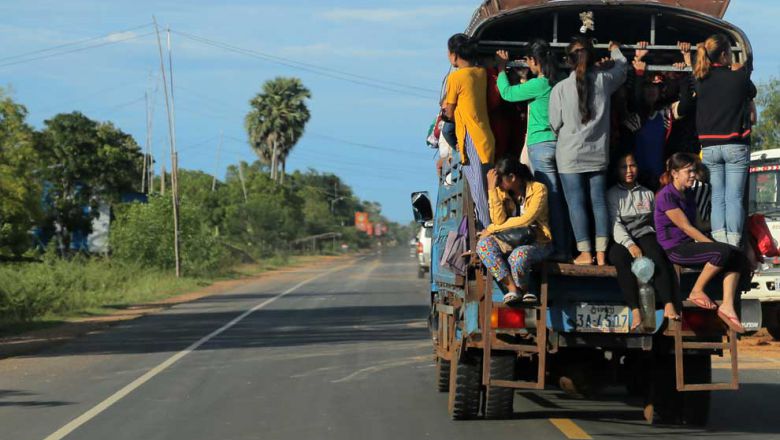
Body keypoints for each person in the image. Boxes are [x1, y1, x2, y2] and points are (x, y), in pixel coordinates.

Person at [549, 37, 628, 265]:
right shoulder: (604, 80)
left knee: (576, 203)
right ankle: (602, 253)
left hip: (569, 155)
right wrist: (614, 49)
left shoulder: (560, 89)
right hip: (598, 153)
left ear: (568, 60)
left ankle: (585, 252)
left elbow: (555, 123)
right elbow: (623, 68)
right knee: (599, 202)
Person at [654, 153, 751, 333]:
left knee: (737, 254)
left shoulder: (689, 193)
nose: (693, 175)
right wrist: (713, 245)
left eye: (694, 171)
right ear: (675, 173)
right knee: (721, 252)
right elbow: (686, 227)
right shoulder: (666, 196)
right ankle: (696, 290)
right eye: (688, 171)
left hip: (690, 245)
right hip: (676, 249)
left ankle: (727, 306)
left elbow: (699, 223)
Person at [677, 34, 757, 246]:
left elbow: (690, 88)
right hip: (735, 144)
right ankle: (733, 243)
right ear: (724, 55)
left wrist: (688, 61)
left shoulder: (701, 79)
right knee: (734, 198)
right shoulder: (739, 77)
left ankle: (719, 241)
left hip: (710, 146)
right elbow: (752, 91)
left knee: (718, 196)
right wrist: (740, 70)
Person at [495, 40, 569, 261]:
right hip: (561, 144)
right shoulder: (562, 82)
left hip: (540, 144)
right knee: (563, 198)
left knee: (550, 199)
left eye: (529, 60)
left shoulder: (541, 84)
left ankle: (559, 248)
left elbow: (507, 93)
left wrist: (501, 69)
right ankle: (568, 246)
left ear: (535, 60)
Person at [607, 153, 680, 330]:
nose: (629, 171)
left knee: (657, 255)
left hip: (645, 233)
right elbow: (615, 223)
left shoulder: (647, 193)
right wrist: (629, 244)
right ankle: (635, 310)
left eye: (632, 166)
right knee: (619, 258)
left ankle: (668, 303)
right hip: (622, 237)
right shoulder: (611, 194)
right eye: (624, 167)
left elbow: (655, 221)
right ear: (617, 171)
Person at [476, 158, 553, 304]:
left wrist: (491, 229)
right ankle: (513, 289)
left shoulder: (538, 189)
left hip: (537, 241)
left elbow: (526, 220)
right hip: (509, 241)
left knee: (517, 257)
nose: (499, 184)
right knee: (483, 246)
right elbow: (499, 220)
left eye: (500, 181)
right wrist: (492, 189)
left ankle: (525, 290)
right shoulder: (500, 191)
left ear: (512, 177)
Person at [443, 33, 496, 229]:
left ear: (455, 55)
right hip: (485, 136)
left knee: (478, 187)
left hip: (470, 138)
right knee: (488, 184)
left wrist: (447, 114)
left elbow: (449, 111)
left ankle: (485, 227)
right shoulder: (480, 73)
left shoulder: (455, 77)